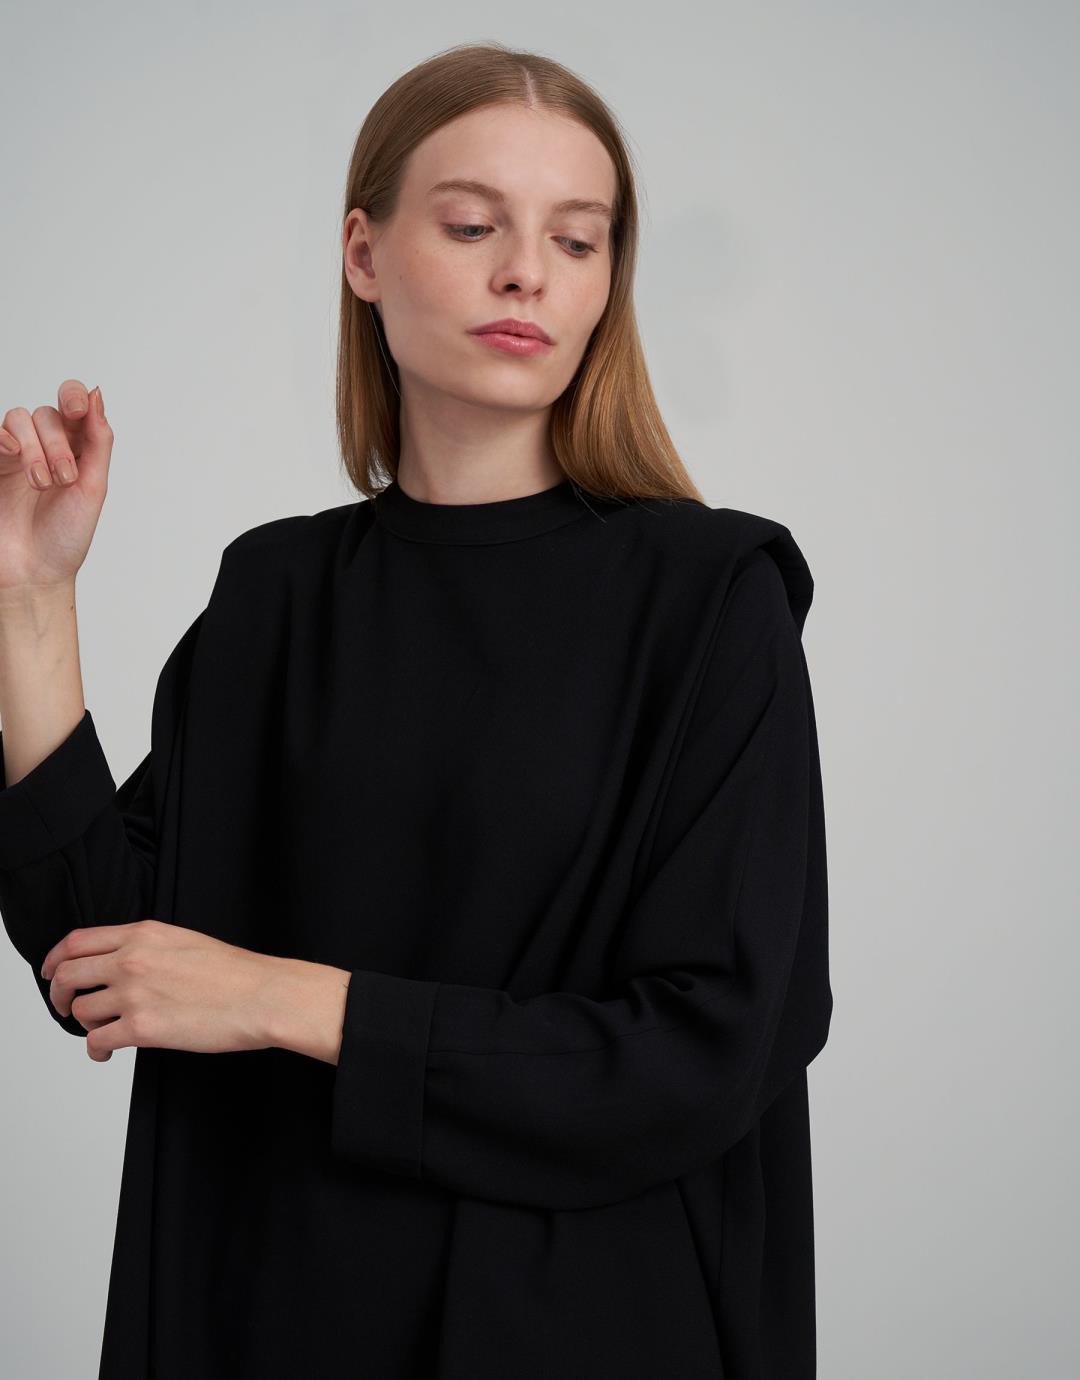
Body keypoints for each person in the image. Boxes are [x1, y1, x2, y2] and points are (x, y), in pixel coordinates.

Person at [0, 41, 832, 1380]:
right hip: (270, 1311)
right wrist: (31, 600)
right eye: (473, 224)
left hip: (581, 1329)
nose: (528, 273)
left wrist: (285, 999)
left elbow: (704, 1055)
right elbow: (103, 958)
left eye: (577, 239)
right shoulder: (278, 592)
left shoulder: (711, 598)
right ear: (364, 253)